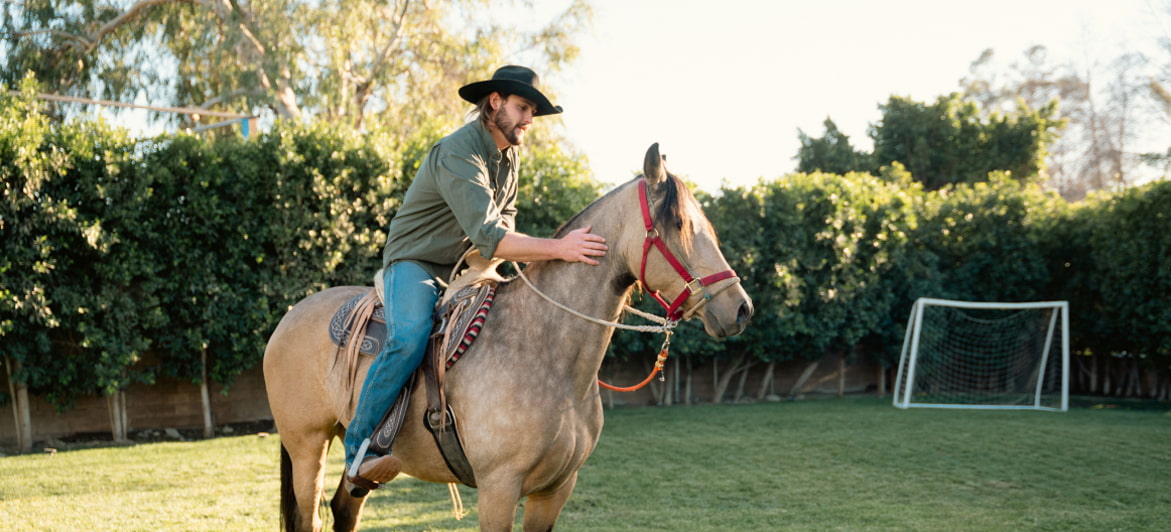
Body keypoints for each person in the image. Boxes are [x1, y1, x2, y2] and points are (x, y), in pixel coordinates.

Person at [344, 65, 608, 495]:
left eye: (533, 113)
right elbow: (490, 233)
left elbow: (505, 224)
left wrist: (502, 270)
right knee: (409, 336)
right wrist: (559, 248)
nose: (528, 120)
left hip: (467, 266)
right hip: (417, 264)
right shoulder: (458, 152)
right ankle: (359, 452)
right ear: (495, 102)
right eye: (523, 108)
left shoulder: (510, 157)